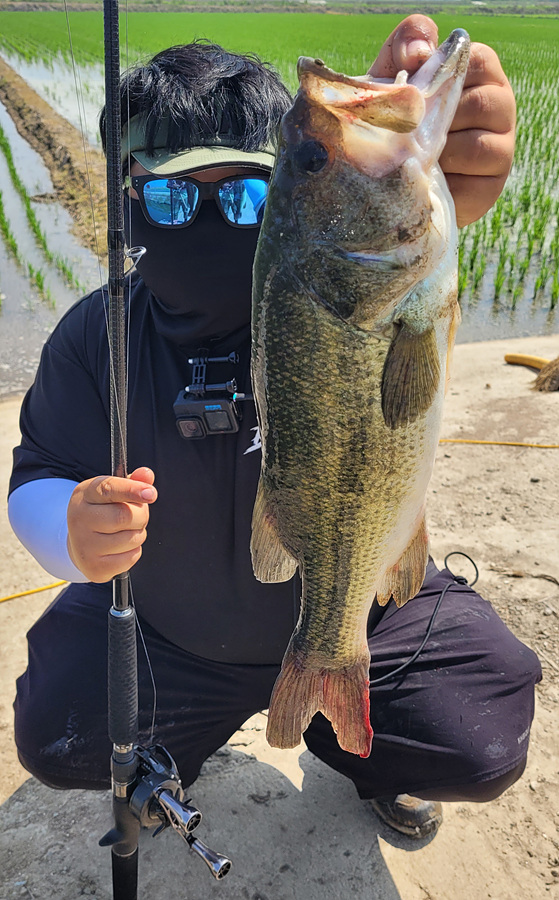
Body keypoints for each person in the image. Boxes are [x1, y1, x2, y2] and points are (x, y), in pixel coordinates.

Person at [8, 16, 541, 841]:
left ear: (279, 200)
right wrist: (71, 531)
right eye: (172, 196)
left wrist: (419, 192)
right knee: (59, 731)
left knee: (477, 739)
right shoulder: (97, 334)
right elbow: (38, 465)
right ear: (127, 201)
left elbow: (386, 274)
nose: (212, 218)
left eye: (251, 193)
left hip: (362, 607)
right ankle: (171, 756)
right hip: (165, 636)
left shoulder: (365, 291)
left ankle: (360, 749)